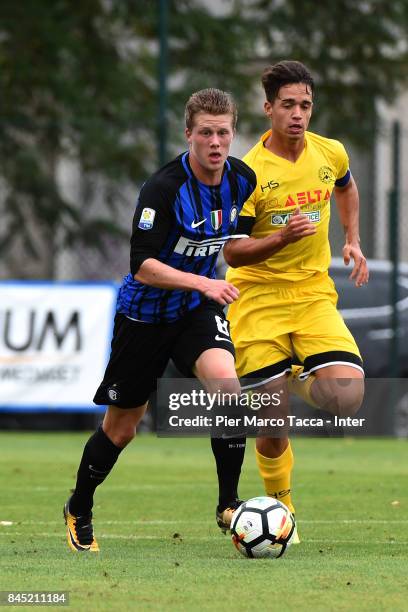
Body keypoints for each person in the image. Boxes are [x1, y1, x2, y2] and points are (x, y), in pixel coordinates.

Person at [63, 88, 256, 552]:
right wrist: (204, 282)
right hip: (145, 314)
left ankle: (228, 505)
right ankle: (79, 506)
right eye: (205, 132)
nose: (215, 142)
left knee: (228, 390)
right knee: (122, 428)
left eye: (223, 133)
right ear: (188, 134)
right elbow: (141, 265)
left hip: (194, 312)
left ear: (232, 134)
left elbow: (235, 238)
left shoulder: (242, 179)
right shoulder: (163, 188)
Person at [220, 60, 369, 536]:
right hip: (258, 298)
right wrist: (280, 240)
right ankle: (283, 513)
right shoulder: (246, 173)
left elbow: (345, 188)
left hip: (311, 294)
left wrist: (353, 239)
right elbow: (233, 250)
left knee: (347, 397)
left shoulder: (330, 153)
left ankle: (298, 374)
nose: (298, 113)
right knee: (271, 424)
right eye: (288, 105)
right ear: (268, 109)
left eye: (305, 104)